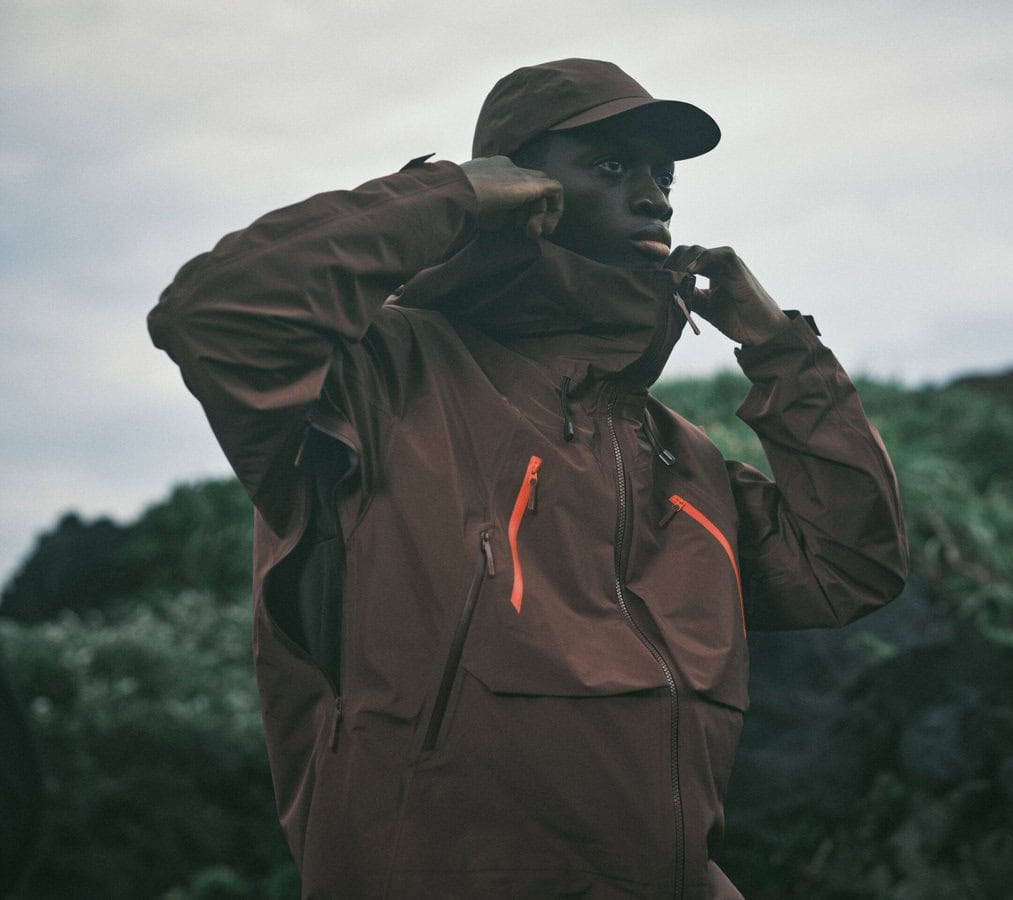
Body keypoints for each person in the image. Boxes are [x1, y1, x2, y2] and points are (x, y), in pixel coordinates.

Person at [149, 58, 908, 899]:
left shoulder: (678, 453)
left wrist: (779, 347)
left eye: (663, 176)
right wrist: (449, 198)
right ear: (519, 186)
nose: (655, 195)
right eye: (611, 166)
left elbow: (850, 563)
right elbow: (211, 313)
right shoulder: (381, 374)